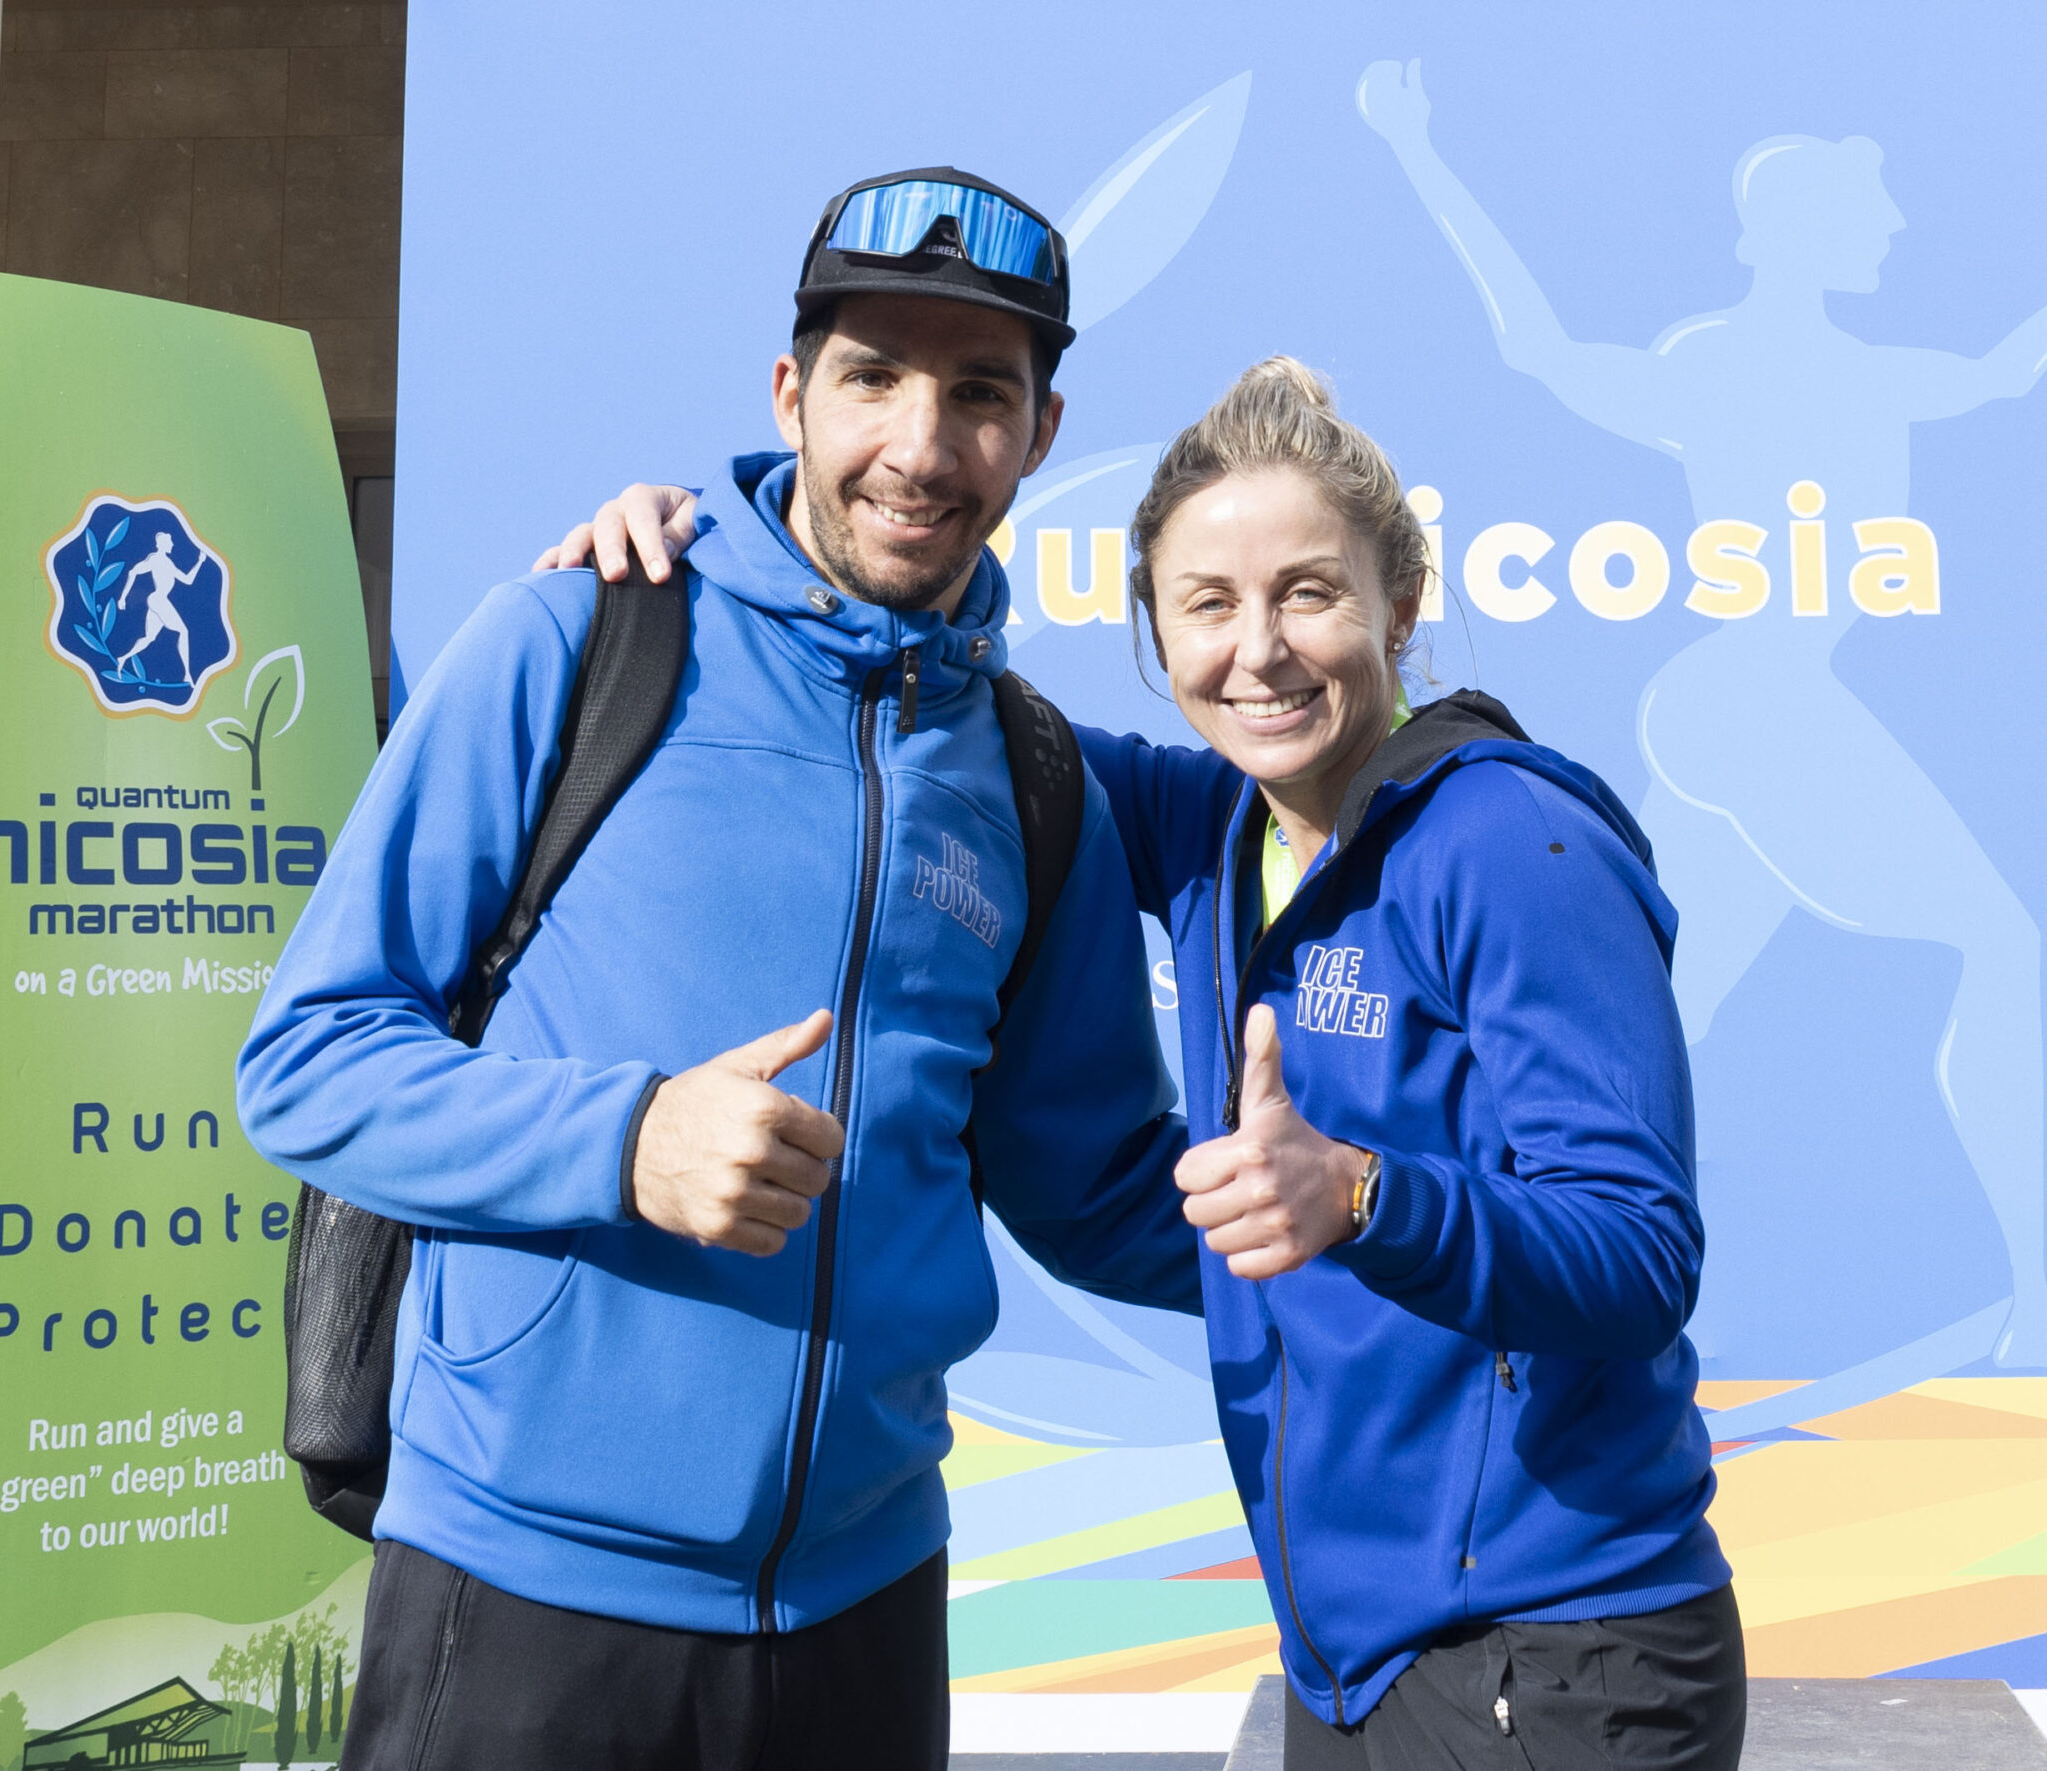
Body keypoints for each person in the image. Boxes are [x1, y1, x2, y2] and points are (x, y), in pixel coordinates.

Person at [562, 358, 1743, 1767]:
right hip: (1350, 1655)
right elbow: (947, 715)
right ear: (1154, 630)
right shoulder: (1208, 824)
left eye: (1308, 593)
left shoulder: (1510, 843)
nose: (1260, 651)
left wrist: (1361, 1194)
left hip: (1558, 1653)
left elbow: (1639, 1253)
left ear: (1401, 605)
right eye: (1209, 604)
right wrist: (718, 556)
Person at [235, 168, 1200, 1771]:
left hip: (866, 1608)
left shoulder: (1036, 781)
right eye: (872, 377)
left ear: (1040, 433)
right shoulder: (583, 636)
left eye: (980, 393)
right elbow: (308, 1062)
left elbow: (1091, 1187)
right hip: (523, 1588)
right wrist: (629, 1139)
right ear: (788, 394)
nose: (921, 444)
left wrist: (1377, 1233)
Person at [1360, 58, 2047, 1368]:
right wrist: (1417, 149)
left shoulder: (1881, 373)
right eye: (1870, 209)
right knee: (2004, 948)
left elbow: (2010, 372)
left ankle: (1513, 1303)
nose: (1896, 228)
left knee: (1654, 1015)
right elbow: (1539, 350)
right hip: (1758, 708)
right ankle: (2040, 1315)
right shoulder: (1720, 363)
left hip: (1735, 713)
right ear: (1800, 228)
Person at [116, 530, 201, 680]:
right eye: (170, 542)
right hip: (159, 600)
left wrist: (200, 562)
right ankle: (187, 674)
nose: (172, 544)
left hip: (158, 601)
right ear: (162, 544)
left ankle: (123, 658)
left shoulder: (169, 563)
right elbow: (132, 572)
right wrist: (122, 598)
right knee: (183, 631)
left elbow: (188, 580)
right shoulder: (155, 559)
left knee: (150, 638)